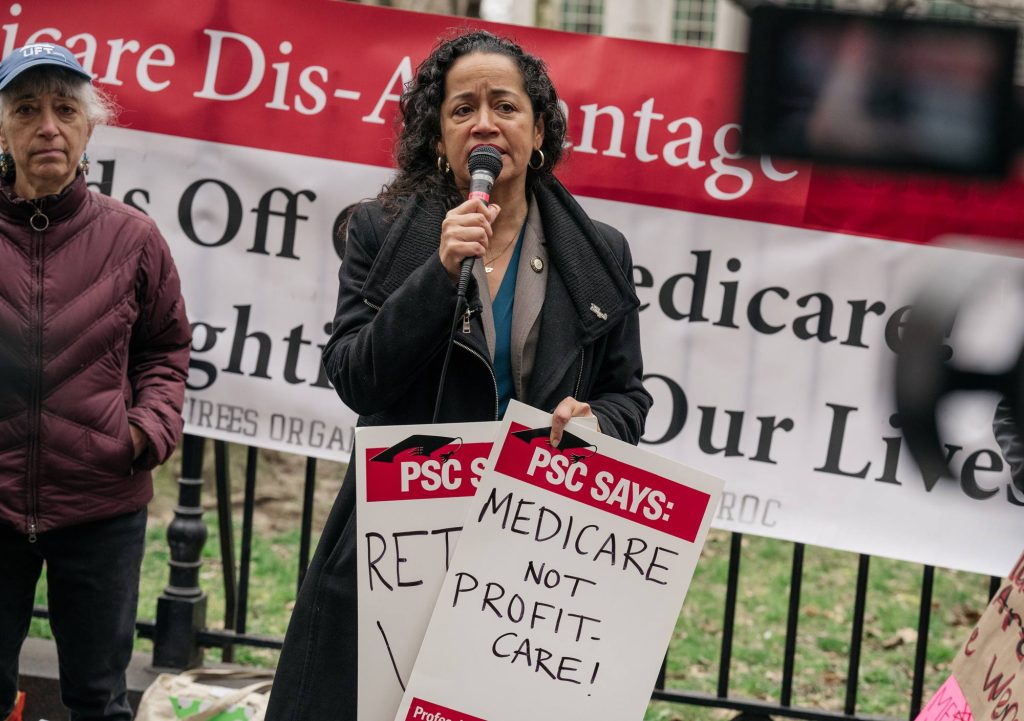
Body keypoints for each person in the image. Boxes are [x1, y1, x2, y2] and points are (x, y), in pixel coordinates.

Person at [266, 29, 651, 721]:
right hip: (400, 533)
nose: (483, 123)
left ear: (538, 130)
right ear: (438, 137)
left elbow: (628, 394)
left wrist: (599, 423)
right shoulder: (383, 231)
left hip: (524, 553)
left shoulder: (600, 253)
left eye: (504, 105)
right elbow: (355, 376)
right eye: (461, 108)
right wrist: (437, 275)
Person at [0, 43, 191, 721]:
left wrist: (143, 430)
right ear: (4, 130)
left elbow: (166, 349)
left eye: (64, 109)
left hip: (99, 502)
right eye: (27, 109)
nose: (47, 125)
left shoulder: (133, 237)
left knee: (98, 698)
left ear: (88, 127)